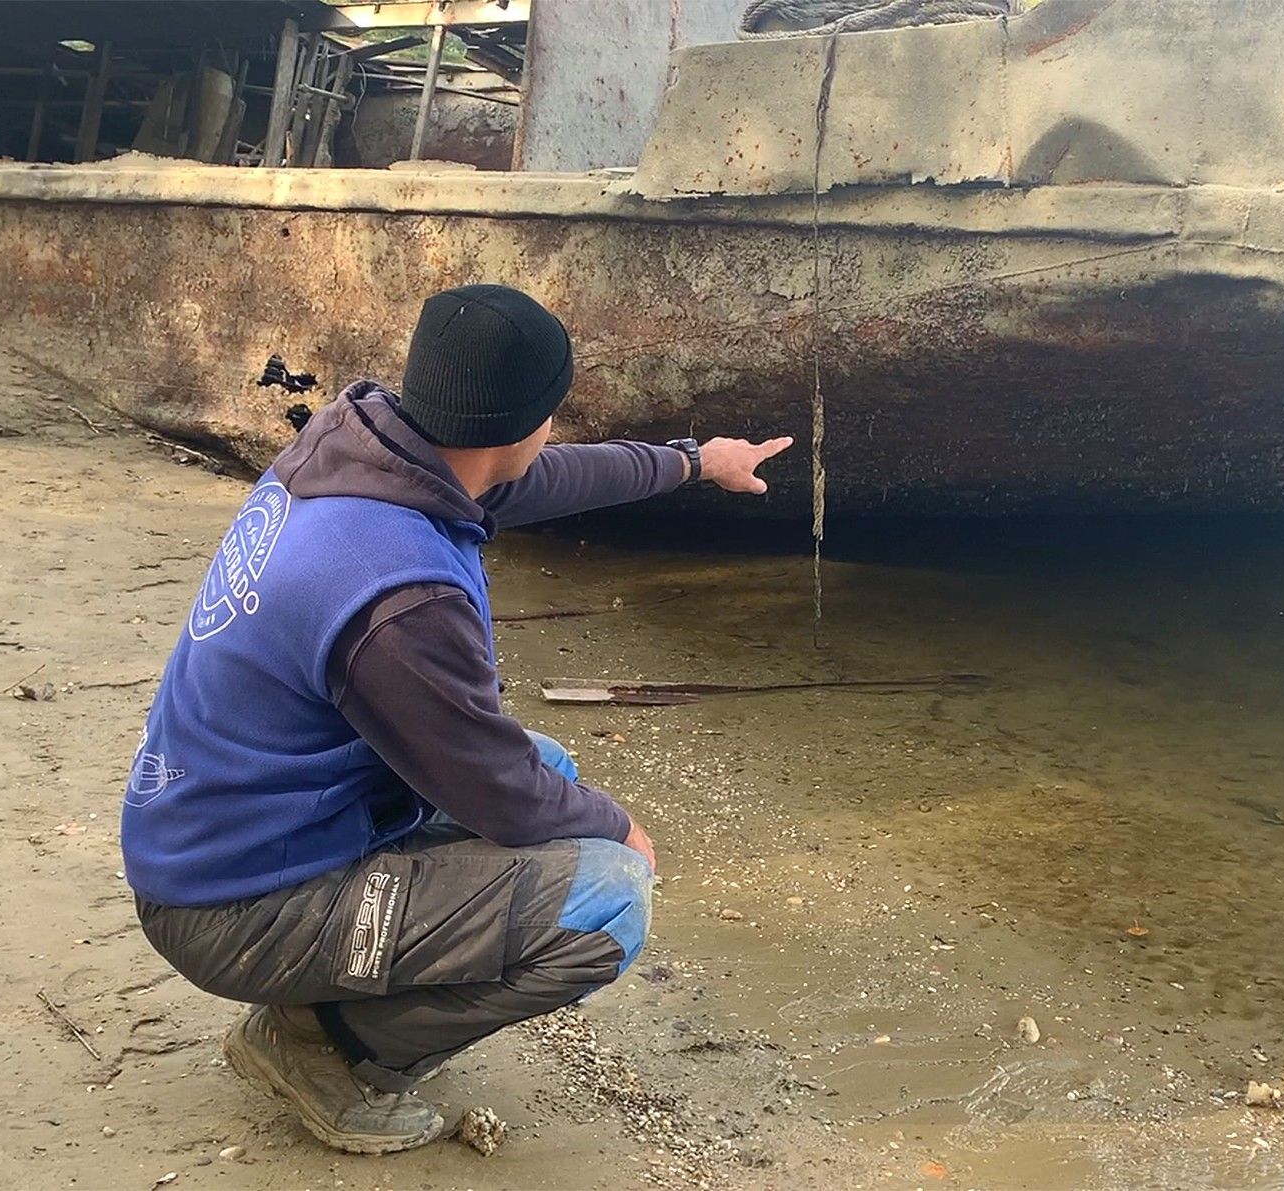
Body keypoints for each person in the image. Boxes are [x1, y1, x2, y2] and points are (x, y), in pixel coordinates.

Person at [120, 284, 791, 1154]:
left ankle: (338, 995)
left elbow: (548, 477)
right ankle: (322, 1046)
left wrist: (696, 460)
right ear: (518, 427)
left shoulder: (363, 451)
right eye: (552, 413)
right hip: (229, 901)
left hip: (225, 828)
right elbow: (504, 798)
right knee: (605, 898)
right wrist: (624, 828)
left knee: (550, 764)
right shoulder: (401, 598)